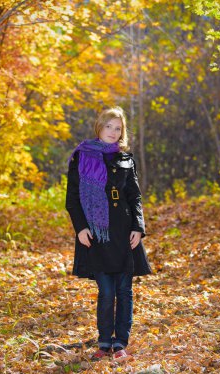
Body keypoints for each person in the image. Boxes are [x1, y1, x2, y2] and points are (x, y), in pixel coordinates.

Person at [65, 106, 152, 361]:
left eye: (118, 128)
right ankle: (104, 343)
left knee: (125, 291)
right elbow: (72, 199)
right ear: (99, 127)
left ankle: (120, 342)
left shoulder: (126, 159)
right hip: (96, 233)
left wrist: (138, 227)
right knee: (106, 292)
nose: (113, 132)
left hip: (124, 232)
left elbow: (135, 197)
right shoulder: (82, 157)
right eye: (108, 127)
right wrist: (80, 227)